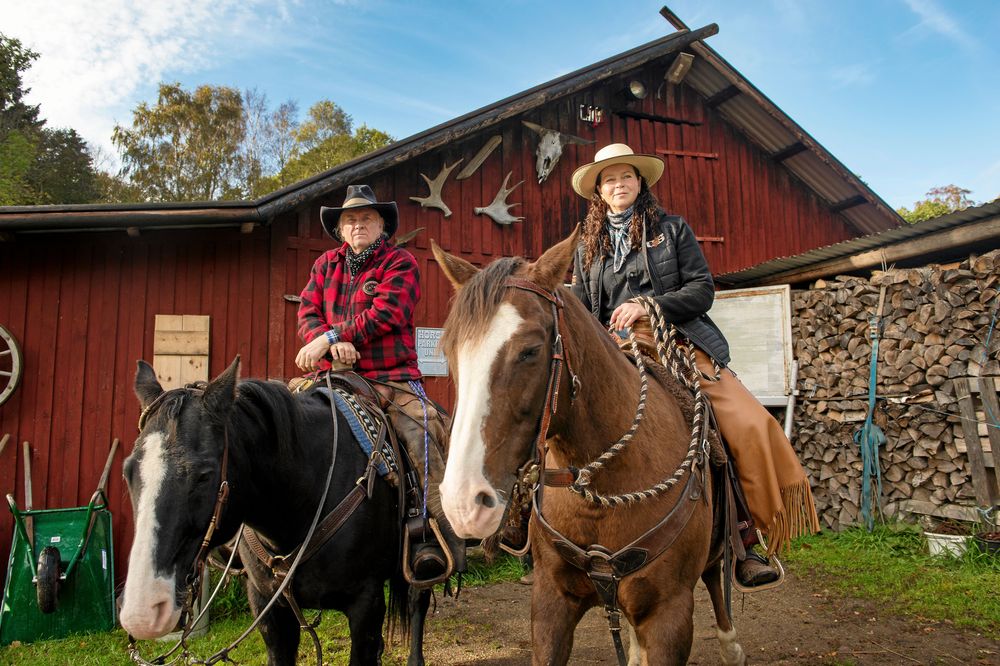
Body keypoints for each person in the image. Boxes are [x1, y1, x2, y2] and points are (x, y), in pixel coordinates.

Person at [568, 144, 820, 588]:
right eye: (609, 179)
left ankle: (745, 539)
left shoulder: (672, 230)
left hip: (676, 344)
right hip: (612, 349)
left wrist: (648, 305)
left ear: (640, 182)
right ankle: (533, 531)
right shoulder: (587, 246)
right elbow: (584, 307)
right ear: (599, 192)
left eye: (626, 176)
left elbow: (702, 290)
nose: (619, 184)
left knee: (747, 423)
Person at [295, 184, 465, 584]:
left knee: (423, 433)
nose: (358, 225)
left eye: (367, 218)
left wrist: (334, 336)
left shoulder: (400, 262)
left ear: (382, 226)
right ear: (340, 229)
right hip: (334, 375)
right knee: (280, 419)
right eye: (350, 220)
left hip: (392, 379)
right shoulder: (325, 265)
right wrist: (328, 342)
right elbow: (307, 313)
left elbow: (388, 312)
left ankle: (435, 535)